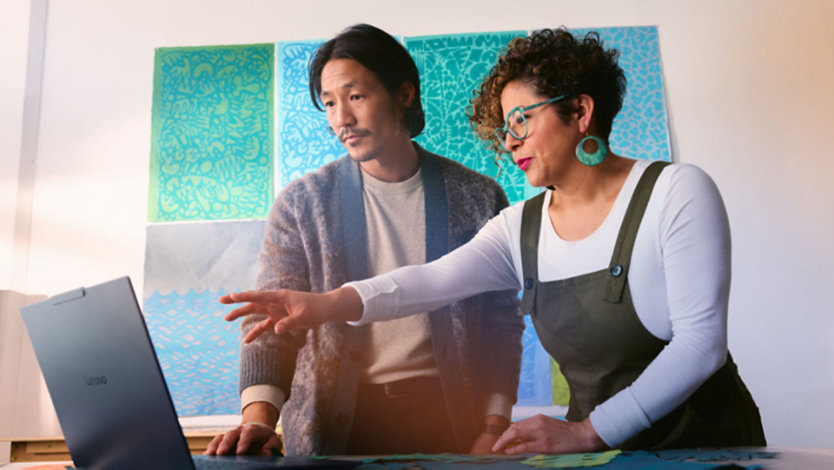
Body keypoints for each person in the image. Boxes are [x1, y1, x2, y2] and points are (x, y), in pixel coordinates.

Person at [221, 27, 767, 454]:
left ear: (580, 111)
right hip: (602, 452)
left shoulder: (677, 190)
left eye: (522, 121)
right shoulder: (520, 225)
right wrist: (324, 304)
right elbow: (427, 282)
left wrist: (580, 434)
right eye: (505, 126)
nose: (510, 143)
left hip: (702, 445)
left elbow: (700, 348)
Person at [204, 24, 524, 457]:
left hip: (450, 424)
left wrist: (493, 425)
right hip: (331, 431)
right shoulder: (302, 204)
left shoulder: (478, 197)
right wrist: (257, 421)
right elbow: (273, 325)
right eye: (330, 103)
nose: (342, 119)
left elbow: (501, 326)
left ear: (404, 94)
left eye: (356, 97)